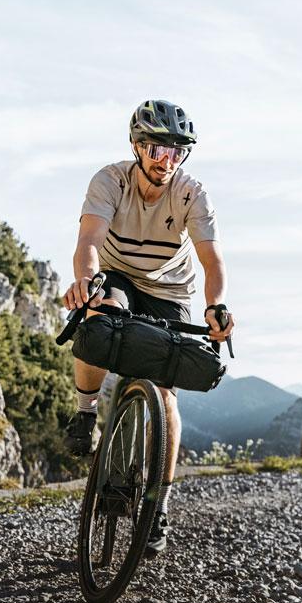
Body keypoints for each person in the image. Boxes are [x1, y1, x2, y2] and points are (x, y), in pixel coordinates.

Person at [61, 99, 236, 554]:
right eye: (157, 149)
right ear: (137, 146)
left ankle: (158, 506)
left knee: (165, 392)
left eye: (177, 151)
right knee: (98, 318)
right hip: (117, 274)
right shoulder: (110, 180)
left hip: (171, 289)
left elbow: (212, 260)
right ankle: (85, 412)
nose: (166, 160)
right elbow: (89, 241)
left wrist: (215, 306)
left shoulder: (192, 193)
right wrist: (86, 281)